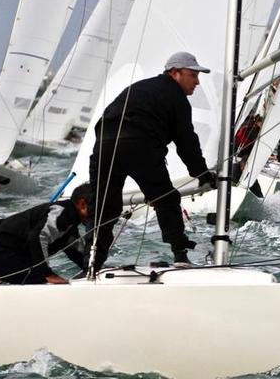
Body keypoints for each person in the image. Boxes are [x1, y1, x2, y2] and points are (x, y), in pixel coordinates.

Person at [88, 51, 215, 269]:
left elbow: (106, 117)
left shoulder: (140, 87)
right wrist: (202, 174)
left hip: (105, 143)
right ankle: (180, 257)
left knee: (103, 208)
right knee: (166, 198)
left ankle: (90, 265)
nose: (197, 82)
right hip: (139, 144)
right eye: (192, 75)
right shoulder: (177, 98)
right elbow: (186, 141)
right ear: (175, 73)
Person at [0, 184, 91, 284]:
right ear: (82, 204)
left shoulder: (70, 222)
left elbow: (74, 249)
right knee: (46, 282)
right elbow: (37, 238)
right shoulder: (62, 214)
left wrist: (91, 269)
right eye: (99, 208)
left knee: (45, 280)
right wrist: (47, 274)